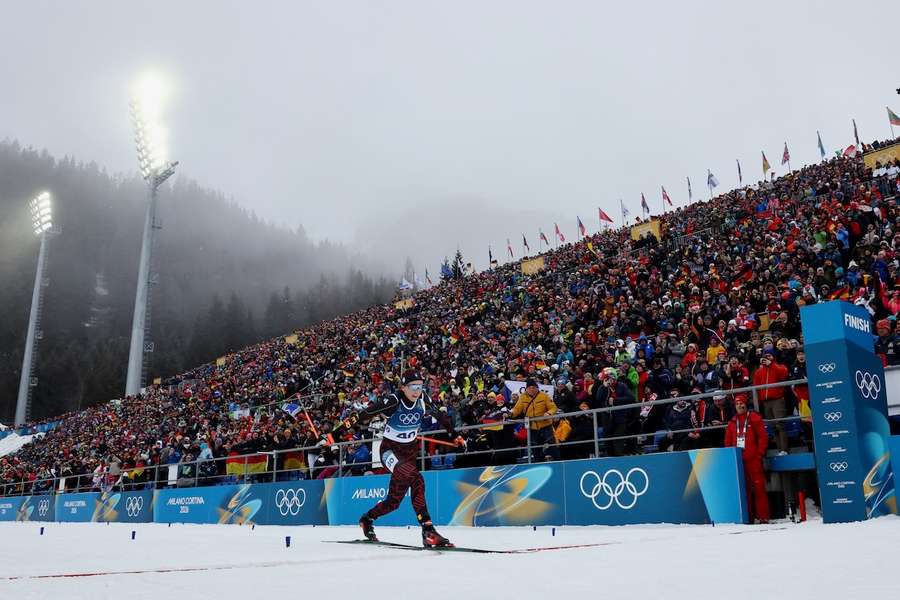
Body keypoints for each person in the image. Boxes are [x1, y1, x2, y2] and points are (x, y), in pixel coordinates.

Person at [357, 370, 460, 547]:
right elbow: (366, 414)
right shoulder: (394, 401)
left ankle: (367, 518)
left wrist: (455, 435)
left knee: (393, 502)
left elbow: (441, 417)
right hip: (390, 451)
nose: (416, 391)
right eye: (413, 387)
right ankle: (428, 530)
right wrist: (363, 418)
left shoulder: (423, 400)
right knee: (417, 480)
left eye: (420, 386)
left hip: (409, 452)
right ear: (403, 388)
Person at [724, 395, 770, 523]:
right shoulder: (732, 422)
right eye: (737, 404)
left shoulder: (754, 418)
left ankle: (763, 517)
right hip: (739, 462)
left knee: (759, 489)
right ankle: (747, 517)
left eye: (741, 403)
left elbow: (763, 438)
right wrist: (732, 458)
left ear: (746, 404)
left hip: (753, 460)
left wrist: (759, 454)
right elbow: (728, 441)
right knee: (744, 491)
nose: (739, 406)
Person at [509, 379, 559, 461]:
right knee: (535, 448)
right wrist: (510, 414)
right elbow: (517, 409)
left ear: (537, 388)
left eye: (533, 387)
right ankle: (539, 463)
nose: (531, 389)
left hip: (545, 425)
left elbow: (553, 407)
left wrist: (549, 413)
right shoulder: (522, 397)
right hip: (532, 427)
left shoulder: (544, 395)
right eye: (529, 388)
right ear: (526, 389)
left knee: (552, 445)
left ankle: (558, 461)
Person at [752, 350, 789, 454]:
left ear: (773, 357)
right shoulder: (759, 371)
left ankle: (784, 450)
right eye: (765, 356)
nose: (767, 358)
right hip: (766, 402)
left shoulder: (780, 366)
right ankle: (779, 450)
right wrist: (758, 402)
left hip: (777, 399)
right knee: (773, 427)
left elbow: (783, 374)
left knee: (780, 424)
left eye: (769, 356)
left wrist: (771, 364)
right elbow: (756, 387)